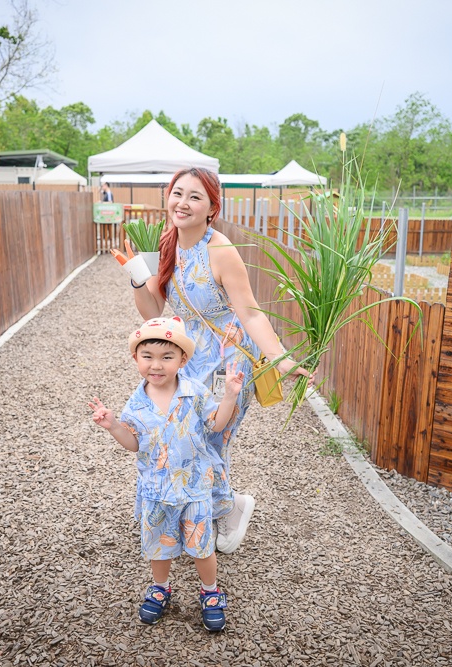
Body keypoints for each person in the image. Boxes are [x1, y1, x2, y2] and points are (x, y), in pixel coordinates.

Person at [128, 167, 313, 555]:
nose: (182, 203)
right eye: (177, 193)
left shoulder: (221, 250)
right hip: (187, 358)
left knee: (211, 436)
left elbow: (251, 314)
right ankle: (206, 510)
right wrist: (134, 278)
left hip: (228, 362)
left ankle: (227, 509)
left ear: (213, 207)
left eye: (195, 197)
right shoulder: (166, 243)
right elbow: (153, 313)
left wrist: (280, 360)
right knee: (185, 435)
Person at [88, 316, 244, 631]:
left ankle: (210, 592)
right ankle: (160, 588)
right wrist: (113, 426)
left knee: (202, 546)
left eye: (166, 357)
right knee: (159, 545)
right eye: (147, 357)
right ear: (136, 359)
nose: (156, 365)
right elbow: (133, 444)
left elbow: (216, 424)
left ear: (182, 359)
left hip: (194, 486)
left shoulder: (195, 392)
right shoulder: (136, 404)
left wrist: (229, 396)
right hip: (156, 489)